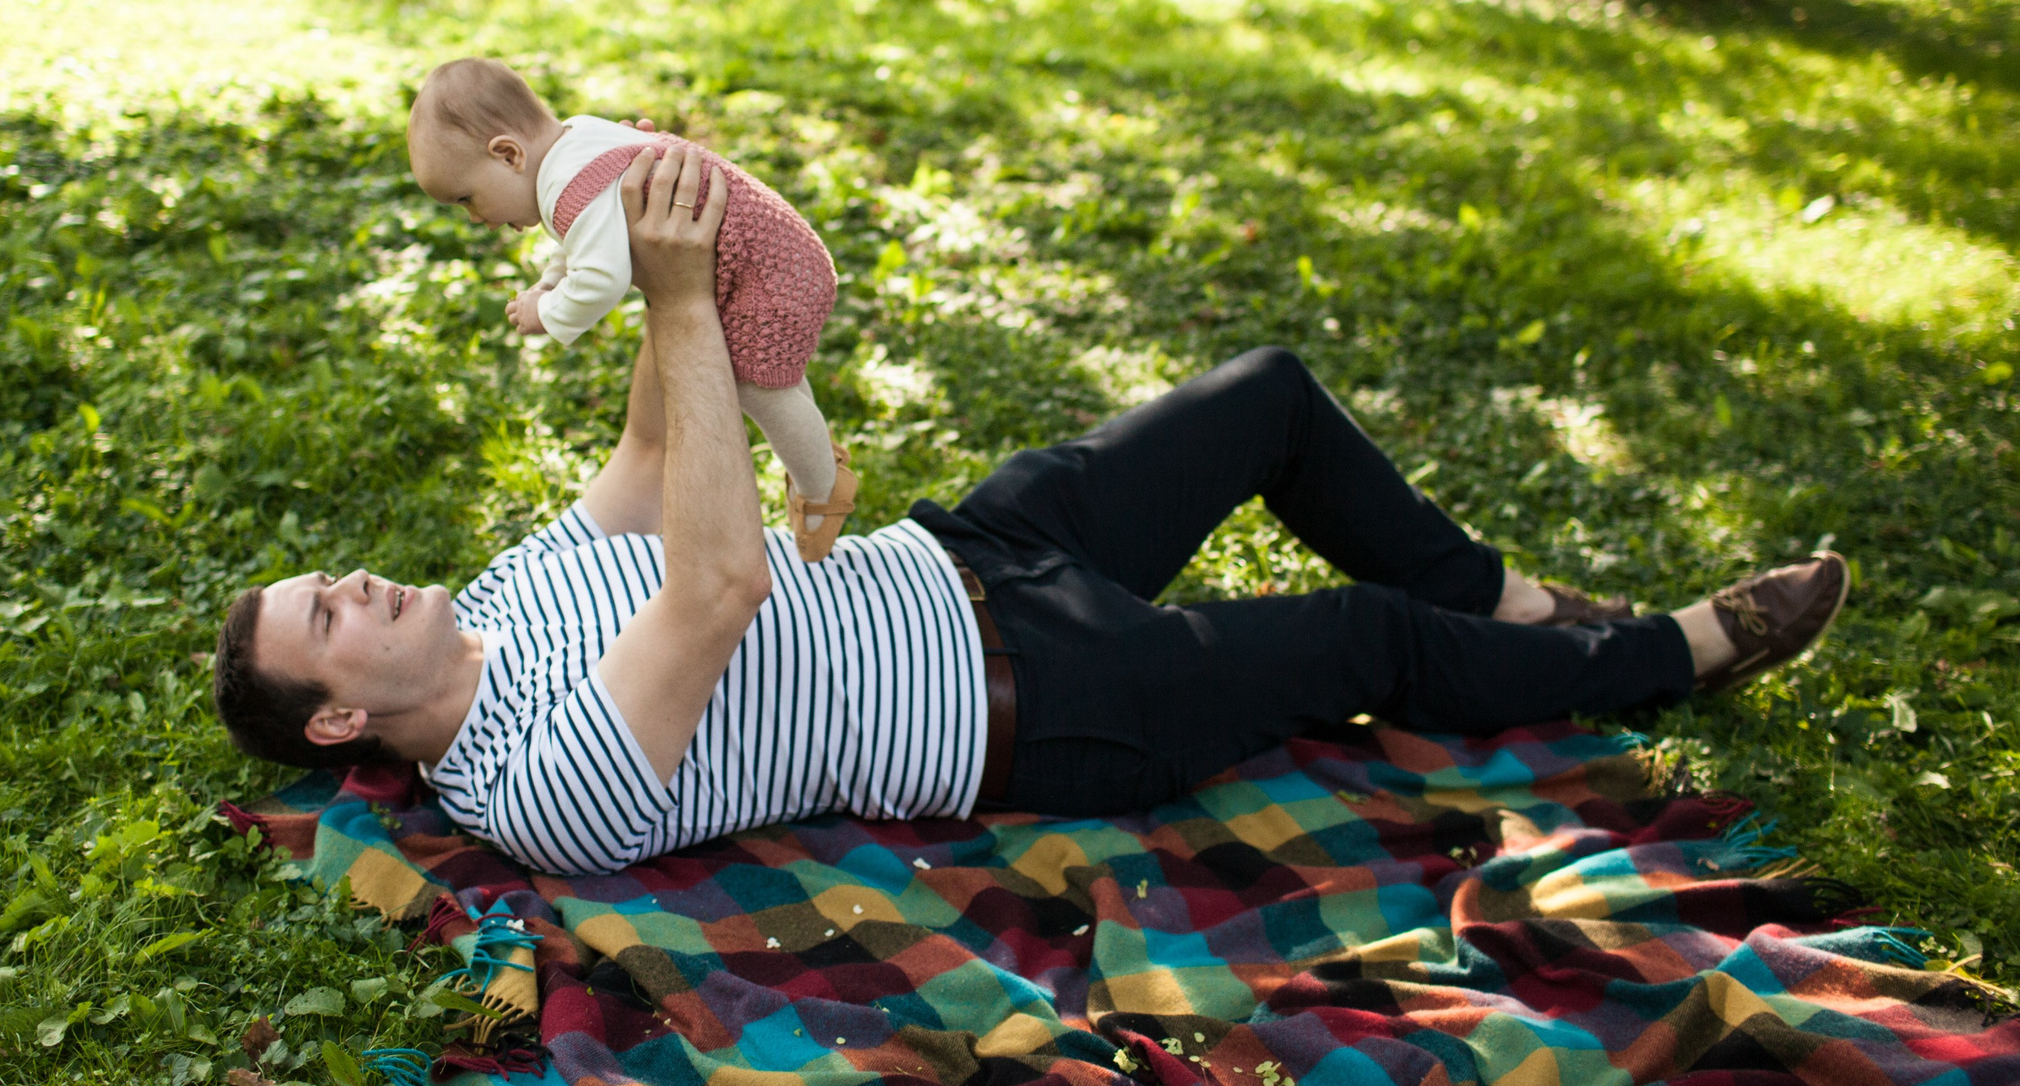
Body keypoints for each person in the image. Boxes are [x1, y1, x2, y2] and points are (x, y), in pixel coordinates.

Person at [213, 144, 1848, 877]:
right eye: (328, 612)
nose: (358, 580)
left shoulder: (505, 586)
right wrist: (688, 303)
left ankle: (1499, 596)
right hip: (1031, 704)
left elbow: (652, 475)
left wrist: (654, 216)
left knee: (1265, 389)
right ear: (347, 716)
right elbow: (711, 583)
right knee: (1357, 637)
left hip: (973, 550)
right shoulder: (531, 789)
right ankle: (1655, 655)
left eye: (333, 577)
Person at [406, 58, 860, 561]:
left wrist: (549, 312)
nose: (476, 219)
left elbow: (603, 278)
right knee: (776, 376)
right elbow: (582, 241)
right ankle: (817, 455)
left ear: (509, 154)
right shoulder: (573, 139)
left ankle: (823, 490)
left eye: (467, 199)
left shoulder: (566, 183)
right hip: (767, 257)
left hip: (768, 269)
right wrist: (550, 281)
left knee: (758, 384)